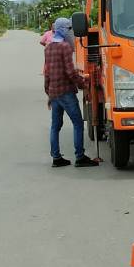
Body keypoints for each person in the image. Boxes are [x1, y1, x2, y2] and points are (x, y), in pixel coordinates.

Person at [43, 16, 96, 168]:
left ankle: (56, 158)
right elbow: (70, 72)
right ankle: (80, 157)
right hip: (66, 92)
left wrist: (48, 94)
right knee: (78, 123)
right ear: (63, 30)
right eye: (69, 29)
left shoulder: (48, 47)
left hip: (54, 93)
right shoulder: (65, 47)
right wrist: (83, 83)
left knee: (55, 126)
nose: (70, 32)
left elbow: (47, 73)